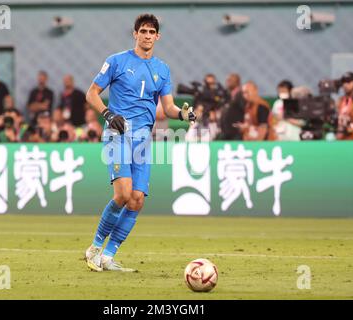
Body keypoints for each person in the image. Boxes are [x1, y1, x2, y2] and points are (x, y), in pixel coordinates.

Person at [84, 13, 196, 272]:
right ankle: (94, 248)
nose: (147, 36)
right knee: (122, 194)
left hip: (143, 140)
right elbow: (91, 93)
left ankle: (108, 257)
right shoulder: (116, 61)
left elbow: (167, 107)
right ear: (135, 34)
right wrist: (108, 114)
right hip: (118, 133)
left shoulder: (162, 69)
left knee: (136, 200)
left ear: (158, 36)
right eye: (142, 31)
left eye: (151, 32)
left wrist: (182, 114)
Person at [219, 73, 245, 140]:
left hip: (236, 133)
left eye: (230, 80)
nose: (227, 82)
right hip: (226, 132)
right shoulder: (227, 96)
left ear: (237, 81)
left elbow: (245, 110)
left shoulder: (241, 95)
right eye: (227, 80)